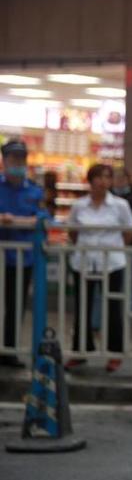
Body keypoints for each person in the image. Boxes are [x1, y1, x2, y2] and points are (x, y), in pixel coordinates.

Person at [66, 163, 132, 372]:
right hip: (83, 261)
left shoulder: (120, 205)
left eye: (107, 177)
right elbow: (72, 231)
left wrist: (115, 247)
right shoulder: (79, 205)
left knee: (113, 308)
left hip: (112, 262)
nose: (103, 181)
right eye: (99, 177)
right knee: (82, 307)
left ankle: (115, 353)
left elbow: (130, 231)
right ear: (91, 180)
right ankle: (80, 351)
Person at [0, 139, 48, 368]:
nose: (17, 163)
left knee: (16, 304)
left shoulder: (35, 190)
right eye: (13, 158)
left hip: (23, 259)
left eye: (21, 158)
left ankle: (9, 351)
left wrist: (30, 220)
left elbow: (45, 217)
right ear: (4, 161)